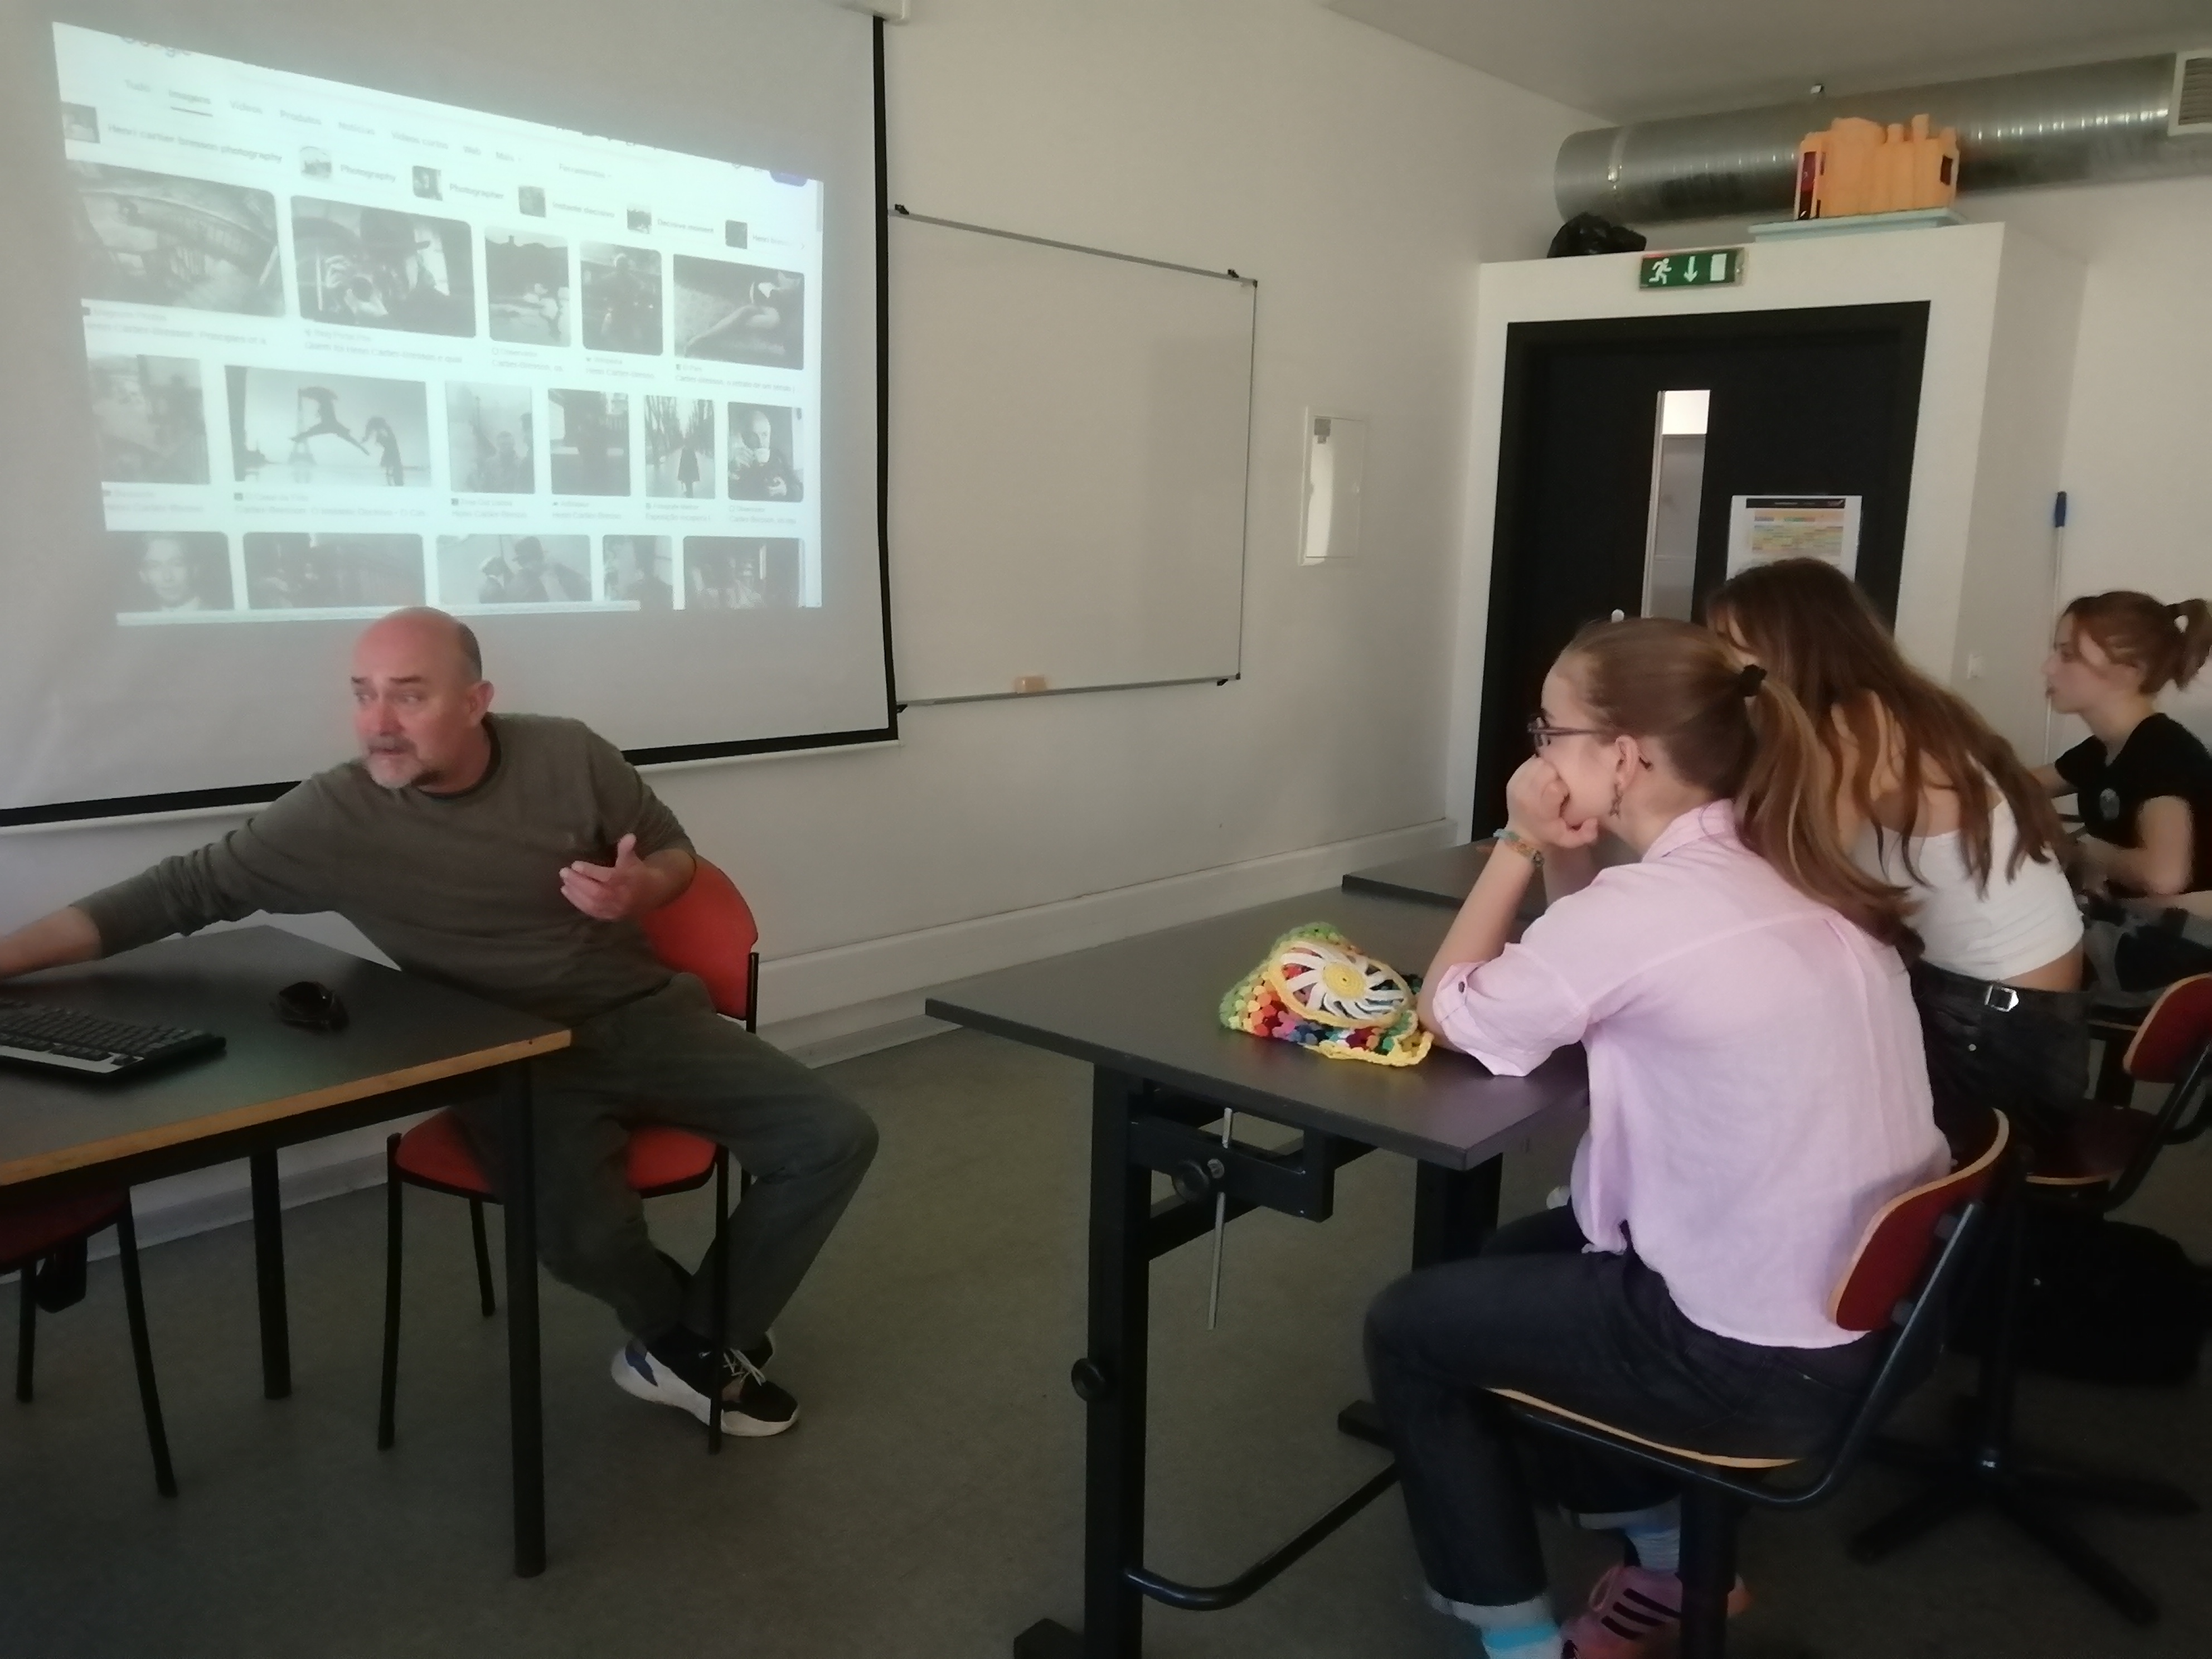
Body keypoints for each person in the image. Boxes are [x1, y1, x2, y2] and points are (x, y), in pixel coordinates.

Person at [0, 610, 875, 1436]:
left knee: (834, 1137)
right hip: (507, 1051)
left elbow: (672, 851)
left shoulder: (569, 754)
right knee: (587, 1238)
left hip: (646, 1015)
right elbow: (174, 893)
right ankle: (696, 1345)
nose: (378, 723)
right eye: (363, 694)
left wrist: (644, 887)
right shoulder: (336, 815)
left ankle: (692, 1344)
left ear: (476, 701)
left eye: (409, 696)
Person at [1365, 618, 1946, 1659]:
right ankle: (1673, 1556)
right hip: (1882, 1321)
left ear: (1623, 756)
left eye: (1549, 733)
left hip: (1756, 1360)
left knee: (1409, 1328)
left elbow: (1451, 1013)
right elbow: (1590, 958)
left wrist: (1518, 843)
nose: (1538, 756)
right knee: (1514, 1261)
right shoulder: (1785, 867)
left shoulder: (1656, 909)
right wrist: (1567, 858)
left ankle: (1519, 1645)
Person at [1706, 559, 2083, 1148]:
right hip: (2033, 1023)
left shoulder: (1856, 723)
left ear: (1787, 646)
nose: (1720, 665)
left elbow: (1795, 870)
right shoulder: (1903, 705)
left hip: (1996, 1041)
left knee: (1777, 1089)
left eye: (1729, 645)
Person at [2039, 590, 2212, 900]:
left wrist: (2085, 850)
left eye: (2067, 655)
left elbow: (2164, 876)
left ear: (2130, 671)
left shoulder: (2163, 752)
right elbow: (2017, 786)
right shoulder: (2100, 750)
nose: (2048, 668)